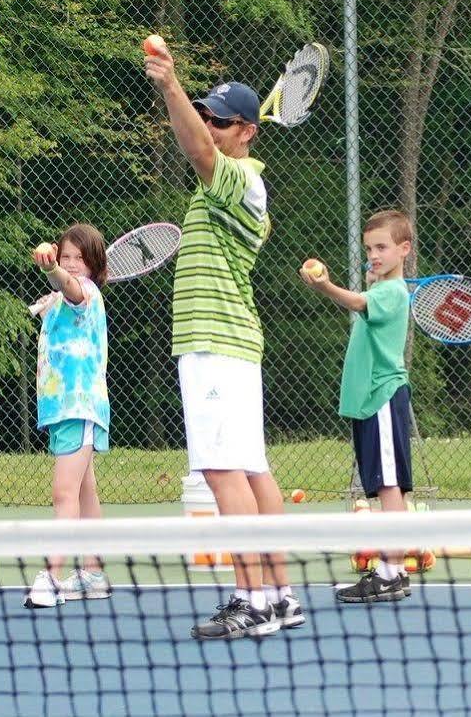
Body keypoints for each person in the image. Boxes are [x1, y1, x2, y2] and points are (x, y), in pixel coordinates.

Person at [142, 40, 299, 638]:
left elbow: (197, 150)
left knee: (220, 471)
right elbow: (204, 150)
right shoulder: (230, 188)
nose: (209, 125)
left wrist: (170, 85)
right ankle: (280, 596)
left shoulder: (241, 181)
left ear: (247, 132)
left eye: (220, 119)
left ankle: (252, 601)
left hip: (216, 344)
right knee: (253, 471)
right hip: (231, 347)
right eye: (206, 114)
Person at [299, 210, 418, 603]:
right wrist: (370, 281)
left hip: (383, 397)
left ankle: (389, 572)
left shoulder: (391, 292)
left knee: (388, 487)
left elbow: (357, 303)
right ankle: (394, 570)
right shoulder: (386, 288)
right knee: (385, 486)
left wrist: (326, 286)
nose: (374, 255)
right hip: (372, 401)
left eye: (382, 247)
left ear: (404, 249)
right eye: (369, 248)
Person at [23, 224, 115, 608]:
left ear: (93, 267)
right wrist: (52, 294)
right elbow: (63, 295)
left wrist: (52, 270)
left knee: (63, 494)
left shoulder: (86, 292)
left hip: (79, 408)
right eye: (67, 258)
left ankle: (51, 576)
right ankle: (92, 573)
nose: (73, 265)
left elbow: (73, 289)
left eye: (81, 259)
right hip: (65, 411)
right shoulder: (60, 298)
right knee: (83, 491)